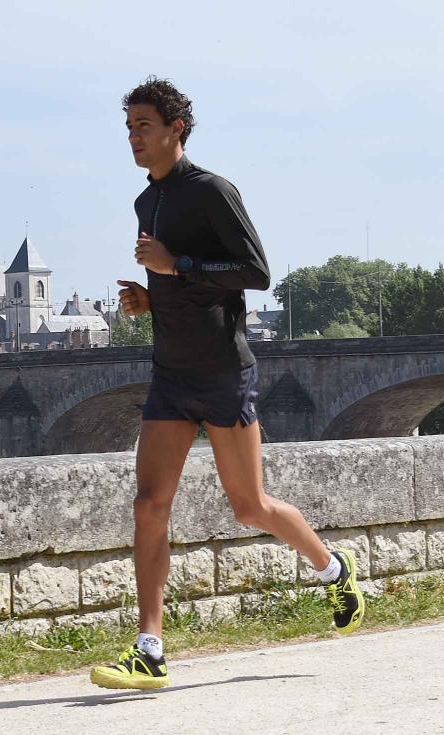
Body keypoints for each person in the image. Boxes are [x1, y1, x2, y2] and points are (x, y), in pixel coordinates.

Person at [90, 77, 364, 691]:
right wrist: (149, 299)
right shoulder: (146, 203)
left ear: (174, 130)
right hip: (171, 373)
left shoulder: (212, 191)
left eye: (142, 126)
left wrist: (174, 265)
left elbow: (255, 272)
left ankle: (331, 566)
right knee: (148, 506)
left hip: (222, 372)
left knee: (249, 506)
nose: (133, 137)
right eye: (128, 127)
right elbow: (182, 287)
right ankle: (150, 647)